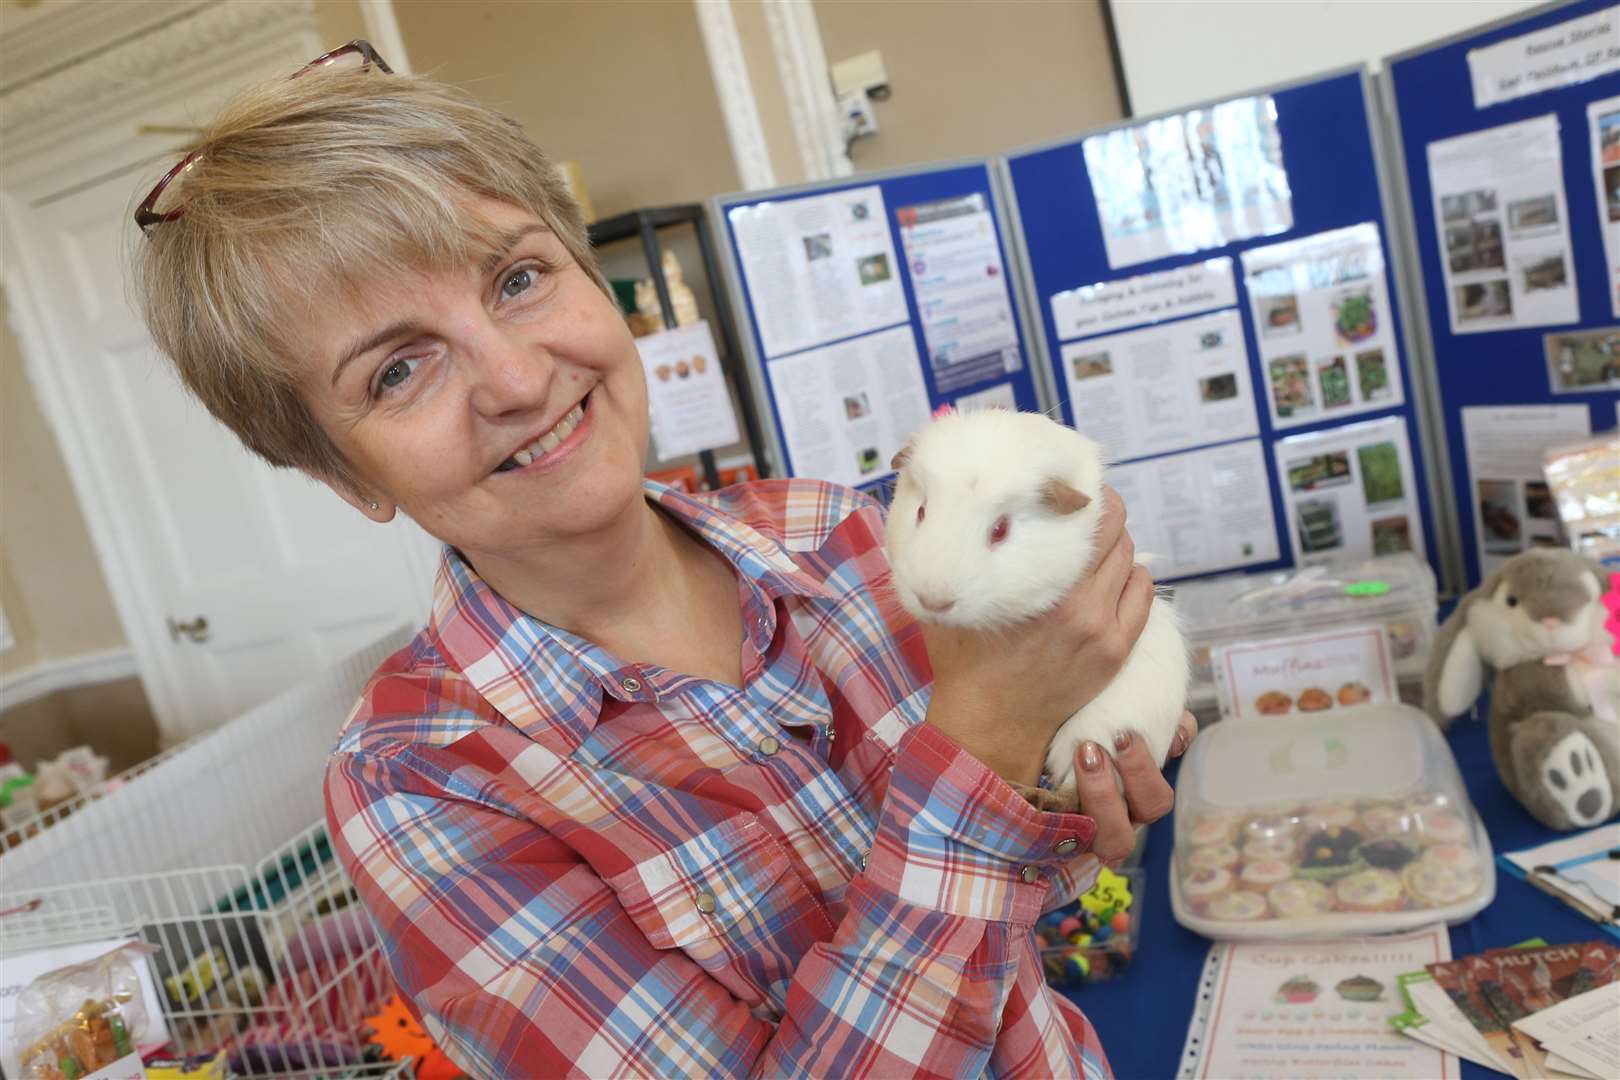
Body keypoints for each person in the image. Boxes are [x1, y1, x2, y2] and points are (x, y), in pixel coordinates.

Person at [131, 43, 1195, 1079]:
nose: (514, 377)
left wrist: (1079, 768)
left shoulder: (834, 536)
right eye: (400, 369)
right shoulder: (421, 790)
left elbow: (1024, 909)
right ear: (344, 475)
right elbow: (968, 803)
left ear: (594, 278)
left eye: (518, 279)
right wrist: (986, 742)